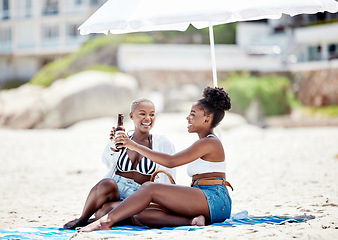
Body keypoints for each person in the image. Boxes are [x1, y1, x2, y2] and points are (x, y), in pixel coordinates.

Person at [79, 86, 233, 232]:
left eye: (192, 114)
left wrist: (133, 145)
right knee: (139, 211)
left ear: (206, 119)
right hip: (202, 196)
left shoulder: (210, 142)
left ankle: (105, 222)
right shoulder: (203, 142)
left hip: (215, 199)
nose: (188, 117)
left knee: (149, 187)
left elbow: (171, 161)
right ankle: (194, 221)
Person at [63, 98, 176, 229]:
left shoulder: (163, 143)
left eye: (152, 114)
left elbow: (169, 172)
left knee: (104, 213)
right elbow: (107, 162)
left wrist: (166, 202)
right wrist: (113, 147)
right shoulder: (122, 137)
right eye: (142, 114)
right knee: (106, 183)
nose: (148, 118)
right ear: (131, 116)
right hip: (116, 188)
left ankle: (106, 218)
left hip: (140, 194)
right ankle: (82, 219)